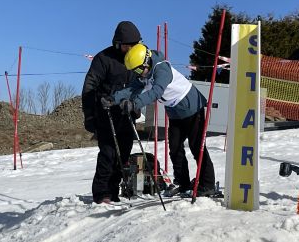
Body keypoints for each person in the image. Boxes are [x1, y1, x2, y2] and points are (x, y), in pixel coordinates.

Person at [111, 43, 216, 196]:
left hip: (192, 107)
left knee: (196, 147)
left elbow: (156, 92)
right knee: (174, 148)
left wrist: (135, 104)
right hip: (175, 112)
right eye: (135, 71)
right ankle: (183, 182)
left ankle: (208, 184)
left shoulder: (162, 69)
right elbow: (133, 88)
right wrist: (113, 98)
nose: (138, 74)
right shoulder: (144, 73)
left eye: (139, 70)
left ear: (147, 61)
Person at [81, 21, 141, 204]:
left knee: (123, 155)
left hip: (126, 114)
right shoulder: (103, 58)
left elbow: (140, 86)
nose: (129, 49)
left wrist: (136, 108)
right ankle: (102, 193)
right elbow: (89, 86)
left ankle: (113, 192)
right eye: (125, 45)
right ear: (117, 43)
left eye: (132, 45)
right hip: (106, 113)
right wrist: (89, 115)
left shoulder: (137, 57)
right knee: (108, 154)